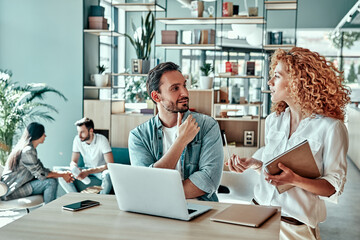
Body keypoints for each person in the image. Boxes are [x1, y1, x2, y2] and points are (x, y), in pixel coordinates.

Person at [226, 47, 350, 239]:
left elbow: (332, 188)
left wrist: (295, 180)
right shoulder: (274, 120)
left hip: (294, 227)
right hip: (257, 213)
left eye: (277, 76)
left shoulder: (331, 128)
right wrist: (256, 164)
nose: (270, 82)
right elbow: (277, 169)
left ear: (297, 82)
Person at [129, 62, 224, 201]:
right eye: (175, 88)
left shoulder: (207, 126)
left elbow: (208, 180)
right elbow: (146, 182)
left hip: (201, 209)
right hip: (156, 211)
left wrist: (160, 192)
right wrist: (181, 141)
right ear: (156, 97)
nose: (185, 93)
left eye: (184, 85)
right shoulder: (139, 136)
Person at [0, 122, 73, 204]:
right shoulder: (28, 151)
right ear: (37, 134)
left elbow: (42, 170)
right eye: (43, 133)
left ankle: (49, 209)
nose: (45, 136)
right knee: (51, 182)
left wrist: (62, 174)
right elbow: (41, 174)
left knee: (51, 180)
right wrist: (63, 174)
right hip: (12, 191)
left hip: (20, 186)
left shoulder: (29, 149)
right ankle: (49, 213)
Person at [56, 117, 114, 194]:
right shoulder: (77, 139)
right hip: (85, 168)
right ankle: (75, 197)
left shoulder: (102, 140)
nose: (79, 136)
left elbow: (110, 165)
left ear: (91, 131)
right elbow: (73, 161)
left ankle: (101, 199)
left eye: (82, 132)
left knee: (108, 174)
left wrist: (88, 171)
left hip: (100, 170)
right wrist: (74, 168)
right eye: (78, 132)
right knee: (60, 172)